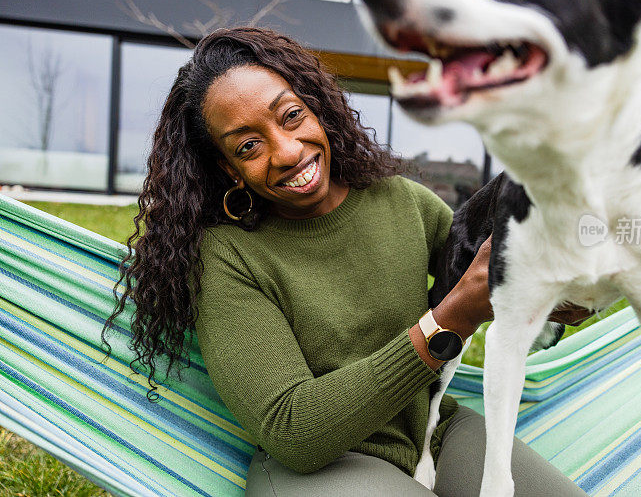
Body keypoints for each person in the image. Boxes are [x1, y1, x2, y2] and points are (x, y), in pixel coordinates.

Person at [105, 26, 590, 496]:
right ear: (227, 168)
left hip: (436, 430)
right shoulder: (227, 257)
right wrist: (448, 322)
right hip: (323, 466)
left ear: (316, 108)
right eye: (249, 146)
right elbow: (292, 427)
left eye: (291, 116)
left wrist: (569, 287)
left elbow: (492, 273)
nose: (287, 151)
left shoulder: (401, 200)